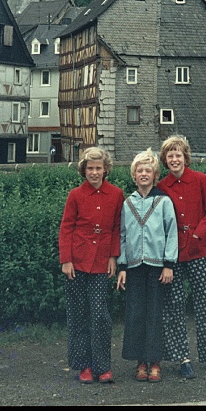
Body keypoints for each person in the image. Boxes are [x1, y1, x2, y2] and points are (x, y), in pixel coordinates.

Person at [158, 134, 206, 379]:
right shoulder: (162, 187)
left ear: (185, 157)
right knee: (174, 304)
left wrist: (198, 235)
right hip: (173, 255)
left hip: (198, 251)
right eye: (170, 156)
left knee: (205, 302)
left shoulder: (200, 180)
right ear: (165, 160)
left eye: (178, 155)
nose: (174, 159)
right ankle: (182, 358)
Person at [59, 147, 124, 384]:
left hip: (101, 262)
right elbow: (66, 228)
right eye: (90, 168)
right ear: (83, 170)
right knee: (78, 314)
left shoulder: (117, 194)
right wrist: (66, 260)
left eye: (98, 168)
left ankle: (103, 366)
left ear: (106, 169)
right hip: (76, 262)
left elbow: (117, 227)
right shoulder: (75, 195)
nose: (94, 173)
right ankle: (83, 365)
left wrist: (113, 256)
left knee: (99, 315)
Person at [117, 149, 178, 383]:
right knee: (136, 314)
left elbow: (171, 233)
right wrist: (122, 266)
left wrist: (169, 264)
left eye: (148, 170)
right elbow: (122, 235)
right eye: (139, 170)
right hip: (134, 267)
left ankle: (155, 361)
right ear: (134, 175)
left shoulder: (163, 201)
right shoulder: (127, 203)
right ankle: (140, 361)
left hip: (157, 267)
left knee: (154, 314)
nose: (144, 174)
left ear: (155, 175)